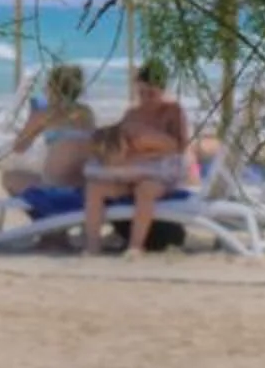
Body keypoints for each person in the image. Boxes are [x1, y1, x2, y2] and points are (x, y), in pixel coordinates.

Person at [80, 61, 195, 256]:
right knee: (95, 187)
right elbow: (120, 144)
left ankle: (135, 246)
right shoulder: (132, 113)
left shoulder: (172, 111)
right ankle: (93, 245)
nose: (146, 98)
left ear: (162, 89)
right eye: (141, 93)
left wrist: (149, 151)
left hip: (160, 174)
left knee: (145, 189)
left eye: (151, 93)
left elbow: (180, 146)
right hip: (131, 171)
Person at [0, 63, 99, 199]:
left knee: (9, 177)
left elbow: (19, 147)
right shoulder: (87, 113)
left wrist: (31, 116)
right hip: (83, 189)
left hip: (56, 189)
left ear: (52, 88)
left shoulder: (44, 112)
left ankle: (40, 215)